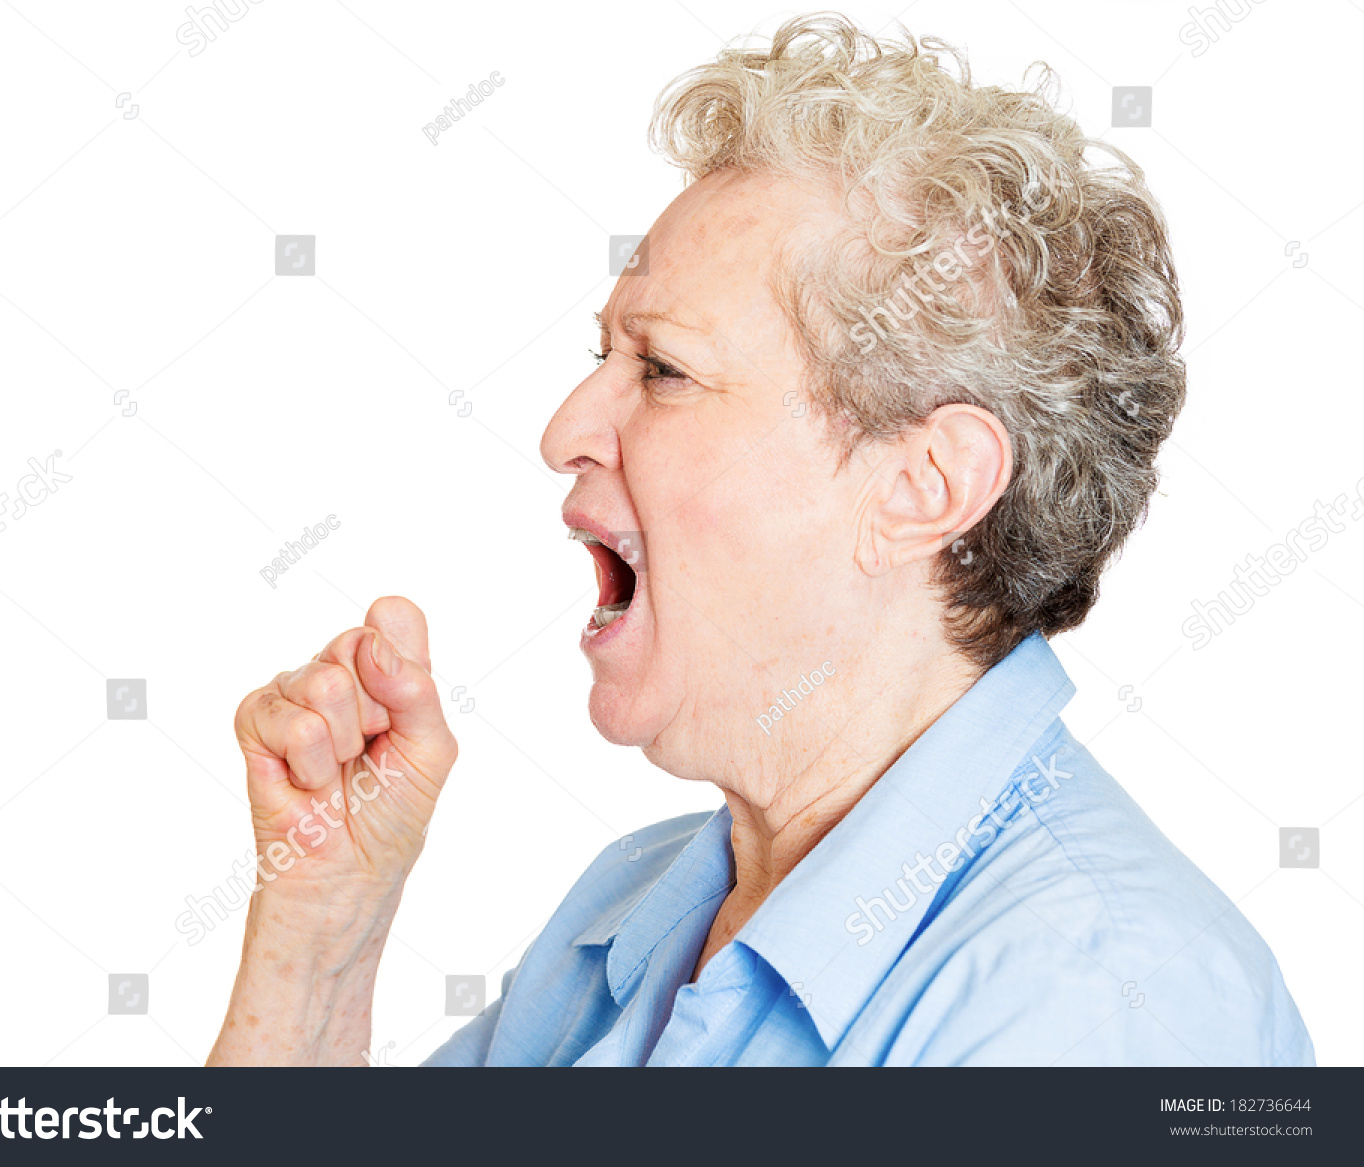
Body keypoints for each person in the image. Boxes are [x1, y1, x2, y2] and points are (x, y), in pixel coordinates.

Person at [207, 15, 1312, 1066]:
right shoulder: (632, 913)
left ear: (923, 486)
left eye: (664, 370)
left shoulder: (1096, 1000)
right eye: (601, 355)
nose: (564, 432)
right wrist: (317, 945)